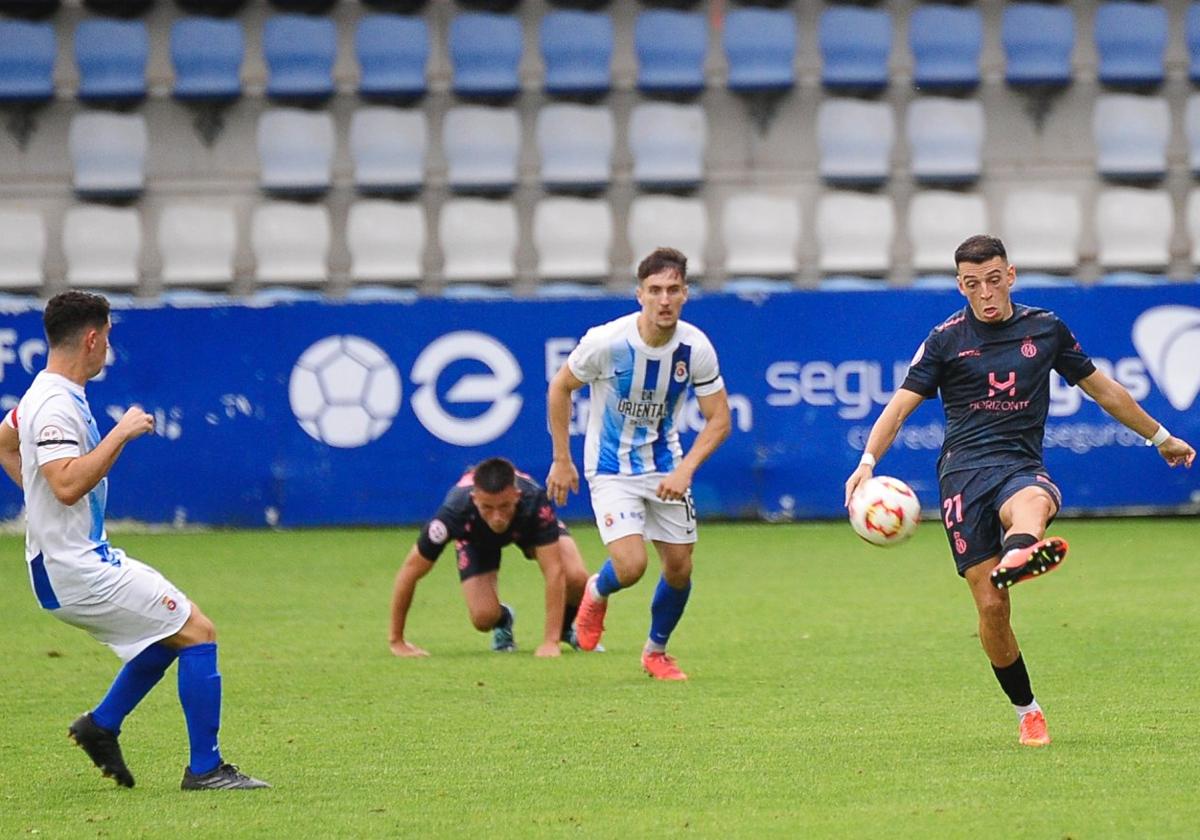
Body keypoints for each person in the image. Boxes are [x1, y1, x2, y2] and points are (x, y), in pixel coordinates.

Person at [844, 235, 1196, 747]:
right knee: (991, 608)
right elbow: (897, 409)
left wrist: (1160, 437)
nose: (985, 293)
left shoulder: (1046, 329)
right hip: (962, 476)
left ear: (1010, 275)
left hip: (1018, 464)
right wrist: (867, 462)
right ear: (960, 285)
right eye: (972, 284)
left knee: (1034, 499)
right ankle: (1027, 710)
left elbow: (1105, 390)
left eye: (992, 280)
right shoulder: (945, 339)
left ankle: (1021, 552)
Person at [0, 291, 268, 790]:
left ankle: (100, 726)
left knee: (167, 634)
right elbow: (63, 485)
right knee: (198, 631)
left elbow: (5, 441)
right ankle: (206, 770)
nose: (108, 349)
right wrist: (120, 433)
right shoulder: (57, 404)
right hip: (75, 569)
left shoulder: (42, 391)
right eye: (108, 338)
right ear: (93, 338)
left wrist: (35, 497)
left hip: (72, 561)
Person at [546, 246, 732, 681]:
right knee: (631, 566)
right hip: (611, 468)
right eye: (655, 290)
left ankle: (656, 652)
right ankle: (597, 590)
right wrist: (561, 458)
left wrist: (685, 470)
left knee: (680, 567)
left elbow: (719, 419)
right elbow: (560, 388)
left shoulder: (695, 348)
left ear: (685, 294)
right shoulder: (607, 344)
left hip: (666, 466)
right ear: (639, 295)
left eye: (673, 290)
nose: (664, 299)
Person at [389, 456, 592, 658]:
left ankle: (564, 629)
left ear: (516, 495)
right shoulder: (454, 512)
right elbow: (409, 572)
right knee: (483, 617)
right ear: (475, 499)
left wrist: (550, 642)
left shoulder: (535, 501)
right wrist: (397, 641)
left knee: (576, 577)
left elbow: (554, 571)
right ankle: (503, 620)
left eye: (504, 506)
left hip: (527, 527)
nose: (497, 517)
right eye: (487, 507)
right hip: (476, 538)